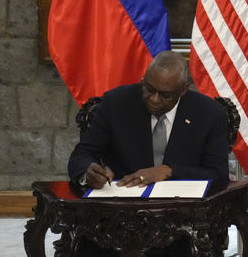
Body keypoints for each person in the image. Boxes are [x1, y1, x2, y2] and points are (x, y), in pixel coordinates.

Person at [68, 50, 229, 255]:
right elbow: (82, 154)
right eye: (149, 89)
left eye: (165, 95)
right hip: (118, 222)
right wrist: (87, 171)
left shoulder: (209, 114)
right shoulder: (116, 103)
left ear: (183, 90)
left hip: (182, 224)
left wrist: (169, 171)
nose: (153, 99)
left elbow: (218, 175)